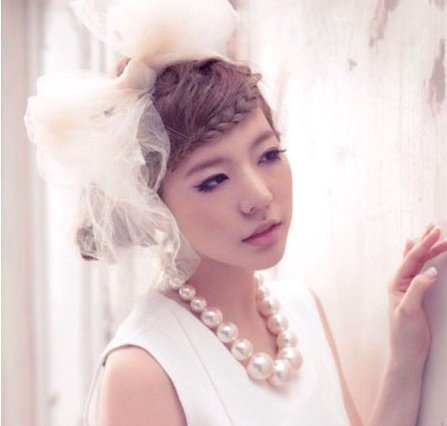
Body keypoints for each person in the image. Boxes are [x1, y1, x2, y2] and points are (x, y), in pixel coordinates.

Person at [25, 1, 447, 425]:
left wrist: (407, 358)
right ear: (155, 204)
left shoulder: (301, 310)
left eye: (269, 154)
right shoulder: (143, 368)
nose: (259, 196)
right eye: (213, 180)